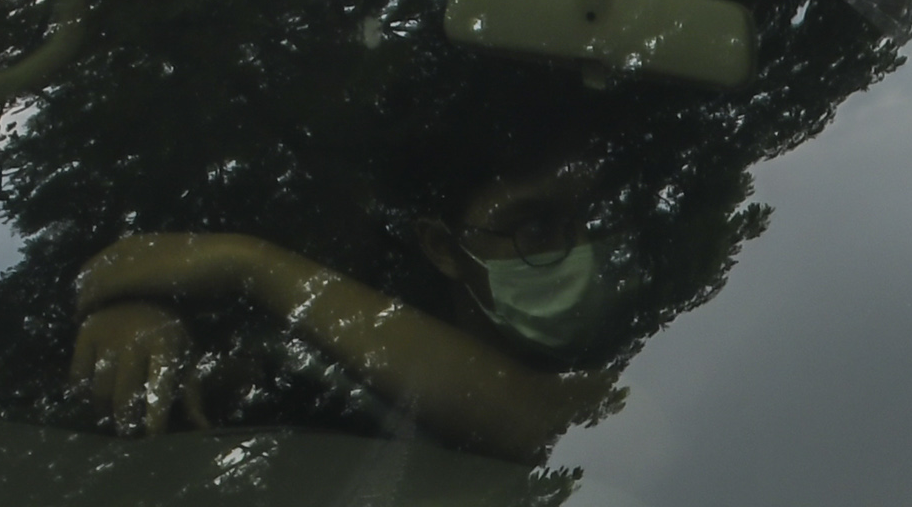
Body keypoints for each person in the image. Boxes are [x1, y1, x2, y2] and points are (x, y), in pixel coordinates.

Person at [70, 149, 635, 461]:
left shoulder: (659, 341)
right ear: (442, 247)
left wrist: (251, 264)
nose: (578, 248)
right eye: (535, 227)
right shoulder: (332, 357)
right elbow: (94, 278)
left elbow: (552, 421)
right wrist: (134, 313)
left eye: (589, 217)